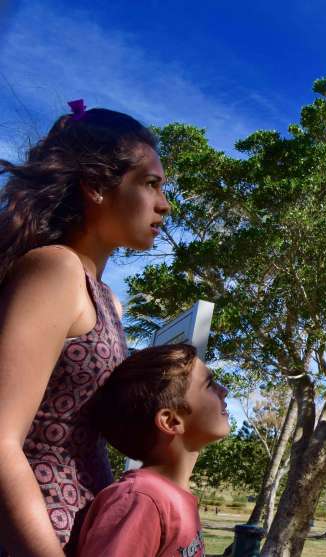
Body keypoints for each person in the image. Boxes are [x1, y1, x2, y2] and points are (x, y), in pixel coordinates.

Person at [0, 100, 170, 555]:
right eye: (151, 184)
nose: (164, 204)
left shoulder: (107, 300)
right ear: (95, 186)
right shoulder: (55, 270)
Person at [76, 343, 230, 556]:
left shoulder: (167, 497)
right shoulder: (141, 500)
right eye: (209, 384)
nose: (224, 390)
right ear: (171, 421)